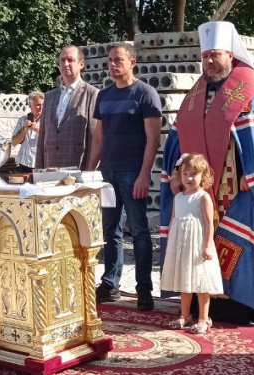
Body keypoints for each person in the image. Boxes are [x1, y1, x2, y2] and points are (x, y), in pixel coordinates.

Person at [160, 21, 254, 324]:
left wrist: (252, 173)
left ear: (230, 54)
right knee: (204, 242)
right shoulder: (196, 93)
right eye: (205, 56)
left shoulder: (250, 90)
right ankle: (207, 303)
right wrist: (176, 172)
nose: (209, 62)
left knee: (240, 242)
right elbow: (178, 135)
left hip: (238, 185)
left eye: (215, 55)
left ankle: (246, 301)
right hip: (201, 184)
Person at [88, 42, 162, 311]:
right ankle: (111, 284)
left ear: (132, 62)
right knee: (110, 230)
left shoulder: (146, 94)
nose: (113, 64)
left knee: (140, 231)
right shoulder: (104, 96)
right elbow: (99, 137)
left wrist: (145, 175)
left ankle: (144, 288)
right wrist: (89, 172)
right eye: (110, 60)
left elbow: (153, 139)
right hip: (107, 172)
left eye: (118, 60)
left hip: (133, 172)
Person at [161, 154, 223, 333]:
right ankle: (185, 315)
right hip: (181, 245)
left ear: (203, 176)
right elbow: (174, 219)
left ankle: (204, 318)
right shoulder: (178, 197)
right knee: (185, 279)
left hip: (197, 244)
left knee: (200, 281)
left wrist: (206, 246)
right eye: (185, 174)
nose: (189, 178)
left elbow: (209, 222)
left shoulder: (203, 197)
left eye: (194, 174)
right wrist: (171, 243)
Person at [35, 45, 98, 170]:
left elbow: (94, 137)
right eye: (62, 60)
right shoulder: (49, 96)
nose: (66, 64)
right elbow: (42, 137)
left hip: (77, 168)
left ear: (81, 64)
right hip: (49, 169)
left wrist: (90, 172)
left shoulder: (91, 94)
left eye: (70, 60)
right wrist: (38, 170)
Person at [11, 91, 44, 172]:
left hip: (42, 164)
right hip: (24, 163)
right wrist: (24, 130)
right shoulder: (22, 120)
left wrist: (37, 130)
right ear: (30, 105)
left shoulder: (48, 120)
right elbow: (14, 142)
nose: (41, 107)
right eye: (38, 105)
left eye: (43, 105)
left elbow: (52, 140)